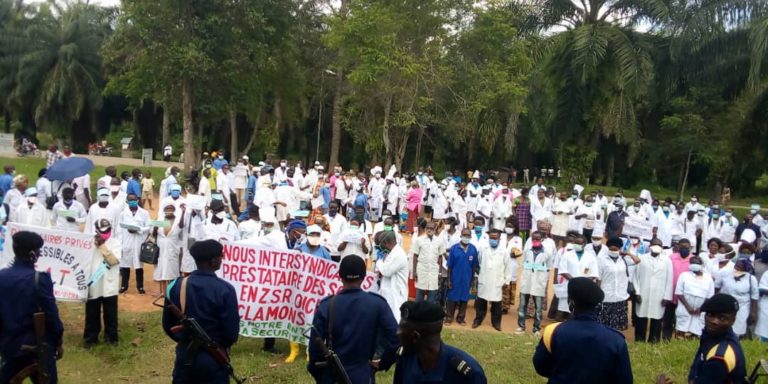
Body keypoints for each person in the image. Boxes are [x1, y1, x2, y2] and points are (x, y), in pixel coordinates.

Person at [308, 255, 399, 384]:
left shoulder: (327, 305)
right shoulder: (377, 303)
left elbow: (314, 346)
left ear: (340, 276)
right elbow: (395, 337)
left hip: (332, 376)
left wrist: (319, 374)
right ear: (364, 276)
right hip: (363, 374)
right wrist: (383, 363)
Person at [162, 240, 239, 384]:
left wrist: (186, 340)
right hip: (214, 359)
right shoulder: (225, 290)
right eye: (220, 257)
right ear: (213, 261)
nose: (222, 259)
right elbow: (231, 333)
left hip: (185, 356)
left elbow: (168, 325)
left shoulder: (175, 285)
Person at [533, 277, 632, 384]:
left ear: (571, 302)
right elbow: (624, 380)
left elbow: (540, 366)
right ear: (598, 305)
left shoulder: (552, 332)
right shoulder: (616, 340)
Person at [0, 231, 64, 383]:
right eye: (38, 250)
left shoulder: (2, 277)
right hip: (38, 348)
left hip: (9, 347)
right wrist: (58, 342)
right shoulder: (40, 279)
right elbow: (52, 316)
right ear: (32, 253)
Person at [393, 300, 487, 384]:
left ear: (415, 337)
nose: (397, 333)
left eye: (400, 329)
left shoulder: (467, 374)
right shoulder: (405, 360)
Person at [665, 294, 747, 383]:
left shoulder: (719, 358)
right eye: (711, 315)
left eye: (722, 318)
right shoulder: (713, 336)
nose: (714, 321)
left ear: (733, 320)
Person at [85, 219, 122, 347]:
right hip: (94, 281)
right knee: (92, 312)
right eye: (102, 231)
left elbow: (114, 260)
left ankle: (111, 338)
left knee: (111, 313)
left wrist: (102, 246)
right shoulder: (88, 243)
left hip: (109, 282)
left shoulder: (115, 243)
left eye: (107, 230)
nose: (105, 233)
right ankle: (91, 338)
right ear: (96, 230)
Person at [633, 239, 674, 343]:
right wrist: (637, 292)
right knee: (641, 319)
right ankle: (639, 342)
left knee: (657, 319)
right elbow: (635, 277)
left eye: (659, 245)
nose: (656, 246)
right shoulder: (641, 258)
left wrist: (667, 296)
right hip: (643, 293)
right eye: (654, 244)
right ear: (650, 246)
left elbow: (670, 279)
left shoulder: (667, 260)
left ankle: (654, 343)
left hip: (659, 295)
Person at [472, 229, 512, 331]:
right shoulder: (483, 248)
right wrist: (479, 274)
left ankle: (496, 323)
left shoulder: (504, 251)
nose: (493, 239)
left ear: (499, 238)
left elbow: (508, 267)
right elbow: (478, 262)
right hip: (484, 278)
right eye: (491, 238)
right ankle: (478, 320)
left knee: (496, 304)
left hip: (497, 280)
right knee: (481, 302)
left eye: (495, 238)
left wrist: (506, 281)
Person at [597, 237, 639, 331]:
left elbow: (637, 260)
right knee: (605, 325)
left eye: (615, 249)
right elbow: (598, 279)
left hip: (621, 297)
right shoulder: (602, 260)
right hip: (606, 296)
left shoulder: (623, 260)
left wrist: (627, 253)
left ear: (619, 249)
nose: (613, 251)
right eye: (611, 249)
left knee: (618, 327)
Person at [516, 232, 553, 335]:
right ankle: (521, 326)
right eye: (534, 239)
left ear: (542, 240)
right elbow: (524, 264)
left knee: (538, 308)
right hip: (527, 281)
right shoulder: (527, 251)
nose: (535, 241)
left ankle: (536, 329)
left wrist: (541, 275)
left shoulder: (547, 253)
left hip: (539, 282)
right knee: (523, 305)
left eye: (538, 239)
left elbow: (549, 267)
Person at [717, 259, 759, 338]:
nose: (737, 268)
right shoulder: (725, 273)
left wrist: (753, 312)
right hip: (725, 305)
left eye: (740, 267)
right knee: (722, 326)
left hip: (742, 307)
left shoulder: (751, 279)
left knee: (737, 330)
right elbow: (717, 287)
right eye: (736, 266)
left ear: (746, 269)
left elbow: (754, 296)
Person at [674, 256, 715, 338]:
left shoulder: (708, 277)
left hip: (700, 310)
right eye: (692, 262)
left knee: (696, 332)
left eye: (696, 263)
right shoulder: (684, 275)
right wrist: (688, 307)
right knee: (681, 331)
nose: (694, 264)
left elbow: (710, 296)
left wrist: (701, 308)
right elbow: (679, 292)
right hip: (685, 307)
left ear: (702, 265)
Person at [445, 228, 479, 325]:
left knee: (464, 299)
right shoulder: (454, 249)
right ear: (460, 235)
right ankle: (449, 318)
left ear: (470, 237)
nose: (466, 237)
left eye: (468, 236)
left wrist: (472, 280)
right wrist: (449, 280)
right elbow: (449, 266)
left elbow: (473, 267)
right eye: (464, 235)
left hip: (466, 279)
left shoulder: (473, 250)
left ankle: (460, 318)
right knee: (452, 298)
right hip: (454, 278)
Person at [118, 193, 150, 294]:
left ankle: (140, 287)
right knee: (125, 266)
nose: (132, 201)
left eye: (134, 199)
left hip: (138, 242)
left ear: (137, 200)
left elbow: (149, 227)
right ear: (127, 202)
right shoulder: (123, 214)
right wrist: (120, 244)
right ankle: (124, 286)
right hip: (126, 243)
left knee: (139, 266)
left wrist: (138, 229)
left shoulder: (144, 213)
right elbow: (119, 229)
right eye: (130, 200)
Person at [374, 230, 409, 322]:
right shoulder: (392, 253)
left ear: (386, 243)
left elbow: (386, 271)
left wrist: (378, 261)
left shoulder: (399, 255)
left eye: (381, 244)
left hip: (396, 292)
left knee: (396, 318)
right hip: (388, 290)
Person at [153, 204, 184, 295]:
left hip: (172, 249)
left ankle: (172, 292)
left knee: (172, 272)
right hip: (161, 249)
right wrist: (155, 229)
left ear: (174, 210)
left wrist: (183, 212)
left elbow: (181, 226)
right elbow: (154, 234)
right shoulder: (160, 220)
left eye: (170, 209)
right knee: (161, 271)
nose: (169, 211)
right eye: (167, 209)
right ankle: (163, 292)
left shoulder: (177, 220)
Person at [412, 221, 446, 303]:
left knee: (432, 293)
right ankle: (417, 314)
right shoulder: (418, 240)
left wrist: (440, 273)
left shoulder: (439, 241)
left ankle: (428, 314)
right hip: (421, 270)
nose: (429, 230)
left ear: (435, 229)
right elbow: (415, 256)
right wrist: (414, 272)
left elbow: (440, 257)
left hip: (434, 270)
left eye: (431, 228)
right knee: (419, 294)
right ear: (425, 229)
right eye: (427, 228)